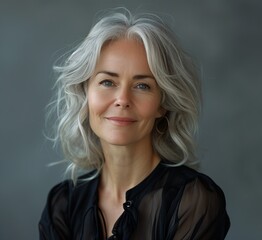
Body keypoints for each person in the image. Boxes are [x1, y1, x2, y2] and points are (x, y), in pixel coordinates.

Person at [39, 8, 230, 240]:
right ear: (85, 94)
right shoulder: (62, 205)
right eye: (107, 82)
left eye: (142, 86)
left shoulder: (193, 200)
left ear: (163, 103)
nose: (122, 100)